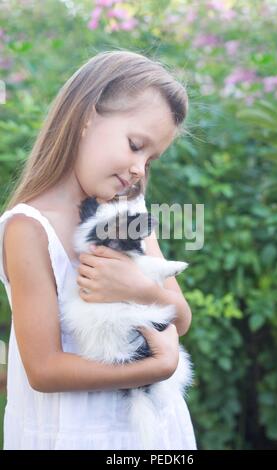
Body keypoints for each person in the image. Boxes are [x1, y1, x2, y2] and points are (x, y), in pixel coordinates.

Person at [0, 50, 197, 450]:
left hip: (153, 431)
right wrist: (156, 367)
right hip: (73, 434)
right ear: (88, 117)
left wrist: (142, 290)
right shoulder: (29, 229)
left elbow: (181, 317)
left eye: (151, 158)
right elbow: (44, 370)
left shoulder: (130, 213)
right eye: (135, 145)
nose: (141, 169)